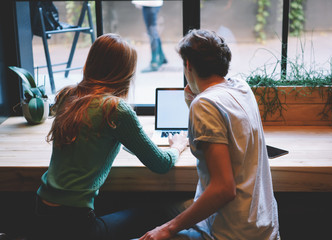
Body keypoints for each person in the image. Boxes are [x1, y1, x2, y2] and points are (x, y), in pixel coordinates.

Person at [31, 33, 188, 240]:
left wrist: (137, 139)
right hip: (77, 227)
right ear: (125, 73)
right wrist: (177, 146)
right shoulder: (115, 109)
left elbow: (93, 138)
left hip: (42, 213)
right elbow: (160, 164)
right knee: (159, 212)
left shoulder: (68, 96)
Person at [139, 29, 280, 240]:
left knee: (151, 217)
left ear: (188, 65)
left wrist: (166, 229)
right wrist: (194, 99)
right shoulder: (241, 87)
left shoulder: (205, 104)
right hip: (263, 227)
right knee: (163, 210)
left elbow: (224, 189)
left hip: (230, 233)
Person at [132, 0, 167, 72]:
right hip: (153, 3)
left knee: (152, 31)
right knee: (153, 31)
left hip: (149, 3)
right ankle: (161, 57)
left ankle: (154, 62)